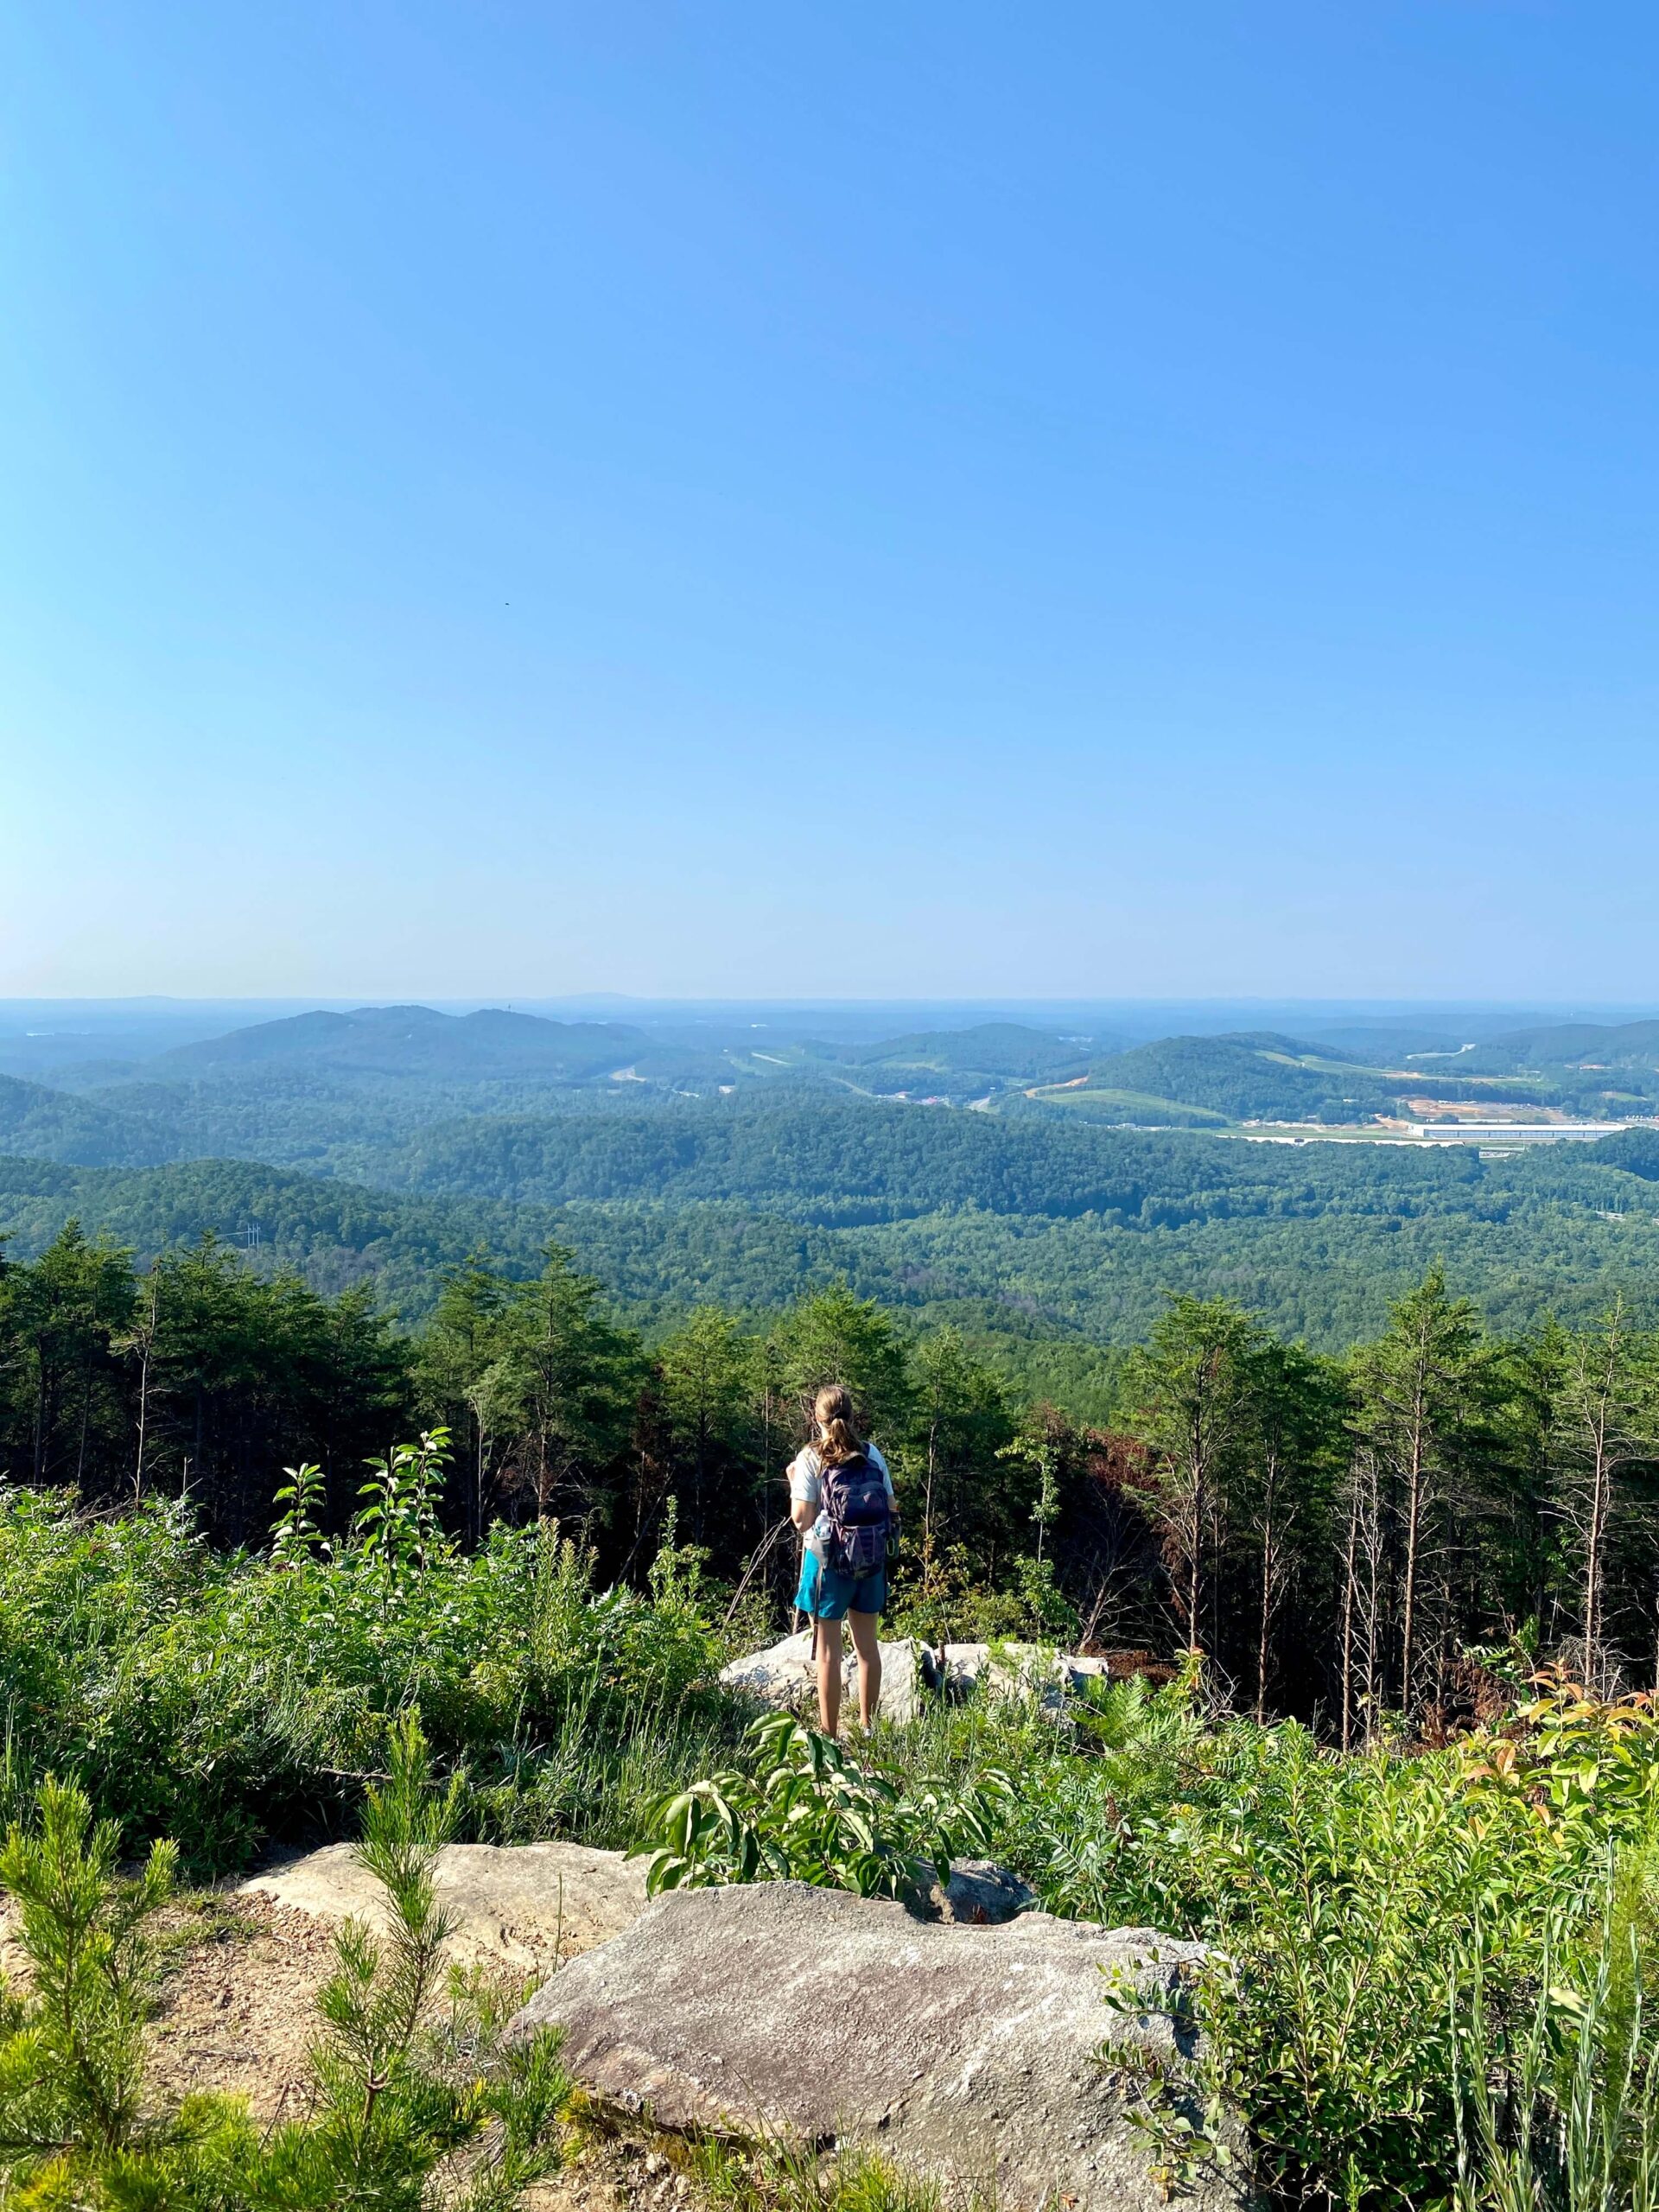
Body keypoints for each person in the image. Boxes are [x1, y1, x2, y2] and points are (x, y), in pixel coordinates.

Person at [788, 1383, 896, 1736]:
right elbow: (890, 1508)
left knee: (828, 1656)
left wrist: (793, 1481)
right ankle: (868, 1729)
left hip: (827, 1565)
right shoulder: (871, 1453)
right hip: (870, 1560)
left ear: (816, 1419)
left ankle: (830, 1737)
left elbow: (802, 1520)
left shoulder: (810, 1457)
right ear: (852, 1415)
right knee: (867, 1649)